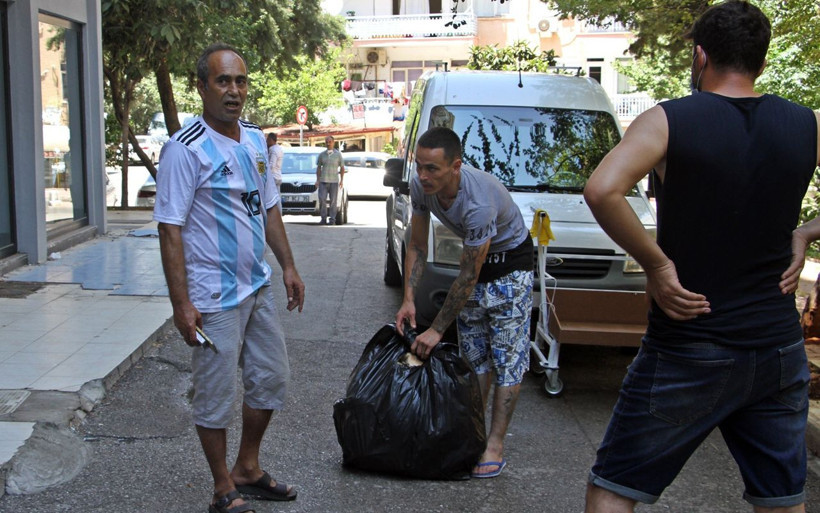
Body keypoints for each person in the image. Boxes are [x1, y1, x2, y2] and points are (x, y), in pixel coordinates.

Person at [582, 2, 820, 512]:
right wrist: (805, 234)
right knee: (782, 500)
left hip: (691, 342)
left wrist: (658, 265)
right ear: (762, 57)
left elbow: (603, 190)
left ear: (700, 56)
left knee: (614, 488)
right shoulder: (807, 124)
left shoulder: (669, 120)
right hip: (778, 349)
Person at [153, 42, 306, 513]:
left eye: (240, 81)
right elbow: (170, 229)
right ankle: (223, 486)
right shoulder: (184, 149)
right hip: (213, 295)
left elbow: (270, 207)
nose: (234, 91)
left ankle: (248, 467)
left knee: (271, 377)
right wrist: (181, 303)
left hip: (255, 284)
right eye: (223, 81)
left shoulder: (256, 139)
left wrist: (287, 265)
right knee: (215, 394)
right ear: (202, 87)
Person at [395, 126, 534, 478]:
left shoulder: (478, 202)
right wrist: (408, 298)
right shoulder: (420, 186)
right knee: (475, 361)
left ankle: (495, 443)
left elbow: (469, 276)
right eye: (419, 166)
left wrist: (436, 330)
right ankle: (471, 434)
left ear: (455, 166)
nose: (423, 176)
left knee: (506, 358)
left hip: (509, 267)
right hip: (475, 264)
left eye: (433, 169)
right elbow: (416, 245)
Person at [315, 135, 344, 225]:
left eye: (330, 142)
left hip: (334, 181)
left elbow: (342, 167)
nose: (328, 144)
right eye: (326, 142)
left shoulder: (338, 154)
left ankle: (332, 220)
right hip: (323, 181)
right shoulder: (322, 155)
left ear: (333, 142)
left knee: (333, 201)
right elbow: (319, 168)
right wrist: (317, 180)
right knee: (322, 199)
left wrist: (342, 180)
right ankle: (323, 219)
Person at [266, 132, 283, 200]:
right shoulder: (279, 148)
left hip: (273, 177)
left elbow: (271, 165)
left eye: (267, 140)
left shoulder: (273, 150)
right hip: (278, 176)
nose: (266, 142)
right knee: (277, 197)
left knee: (272, 198)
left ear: (270, 139)